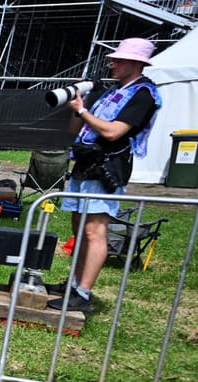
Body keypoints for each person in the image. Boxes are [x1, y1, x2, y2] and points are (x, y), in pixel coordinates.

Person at [47, 38, 161, 313]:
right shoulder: (112, 92)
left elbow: (113, 132)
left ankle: (83, 293)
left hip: (107, 169)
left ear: (136, 63)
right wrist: (80, 104)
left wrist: (84, 111)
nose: (113, 63)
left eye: (119, 60)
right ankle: (73, 283)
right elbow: (78, 128)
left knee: (94, 230)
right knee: (79, 229)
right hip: (86, 164)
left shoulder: (143, 94)